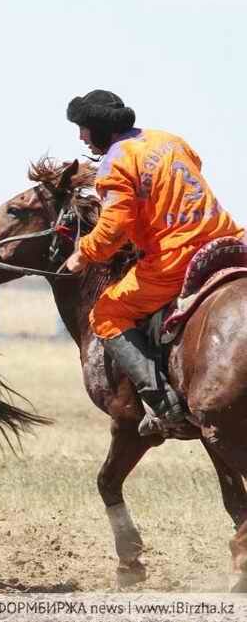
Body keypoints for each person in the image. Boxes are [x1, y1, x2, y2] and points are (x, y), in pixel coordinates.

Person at [63, 90, 244, 436]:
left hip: (176, 257)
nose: (82, 137)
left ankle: (164, 407)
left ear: (100, 128)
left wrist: (82, 253)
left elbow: (113, 228)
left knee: (107, 313)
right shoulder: (170, 140)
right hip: (228, 242)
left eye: (83, 128)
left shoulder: (116, 162)